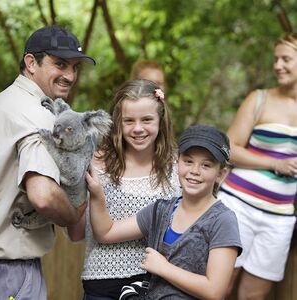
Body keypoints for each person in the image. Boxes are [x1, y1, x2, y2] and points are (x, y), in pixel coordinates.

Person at [86, 124, 242, 299]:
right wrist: (97, 194)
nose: (194, 171)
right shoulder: (161, 210)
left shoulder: (222, 220)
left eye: (206, 165)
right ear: (177, 163)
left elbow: (215, 291)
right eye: (188, 161)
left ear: (221, 174)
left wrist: (164, 268)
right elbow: (105, 232)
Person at [0, 25, 96, 299]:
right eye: (60, 64)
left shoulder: (2, 104)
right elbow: (43, 196)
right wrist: (73, 214)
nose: (70, 75)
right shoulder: (37, 116)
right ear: (31, 62)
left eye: (75, 67)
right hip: (12, 272)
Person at [68, 79, 180, 299]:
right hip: (101, 281)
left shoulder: (175, 167)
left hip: (156, 283)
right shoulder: (96, 162)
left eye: (146, 119)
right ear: (118, 122)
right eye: (129, 121)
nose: (137, 128)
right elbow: (75, 233)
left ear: (161, 120)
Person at [218, 32, 297, 300]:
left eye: (286, 59)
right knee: (221, 287)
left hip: (280, 217)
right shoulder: (260, 98)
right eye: (276, 59)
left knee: (254, 296)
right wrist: (275, 163)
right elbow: (229, 148)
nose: (278, 65)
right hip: (238, 206)